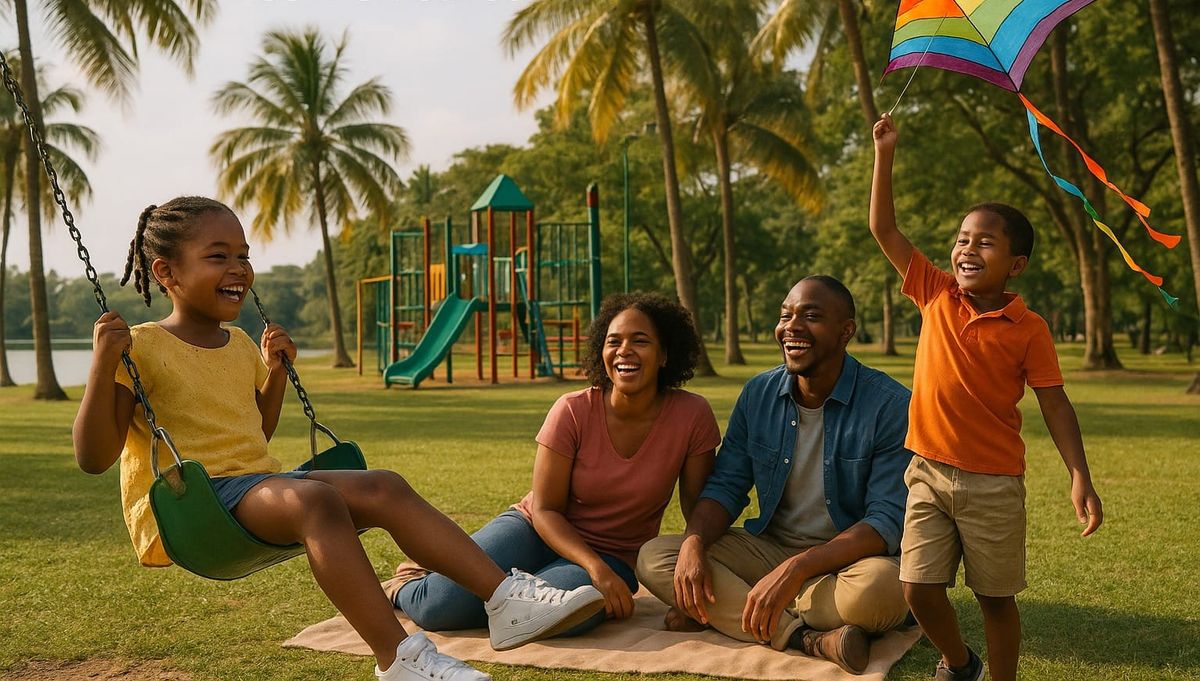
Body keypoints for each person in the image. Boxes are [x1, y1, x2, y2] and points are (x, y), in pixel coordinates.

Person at [71, 196, 604, 681]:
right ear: (166, 271)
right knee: (316, 499)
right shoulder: (138, 347)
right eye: (218, 256)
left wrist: (275, 373)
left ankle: (505, 600)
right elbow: (93, 457)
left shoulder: (236, 343)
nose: (238, 269)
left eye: (243, 254)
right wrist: (101, 366)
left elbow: (252, 431)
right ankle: (399, 660)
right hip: (197, 505)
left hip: (257, 484)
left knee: (384, 486)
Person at [869, 114, 1104, 681]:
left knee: (996, 600)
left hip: (994, 483)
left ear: (1014, 264)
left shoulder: (1030, 328)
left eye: (985, 242)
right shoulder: (935, 293)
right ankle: (958, 662)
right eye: (962, 239)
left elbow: (1054, 403)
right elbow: (884, 230)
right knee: (916, 587)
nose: (967, 249)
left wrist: (1079, 474)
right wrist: (885, 154)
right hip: (926, 470)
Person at [391, 292, 720, 637]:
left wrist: (687, 566)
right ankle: (409, 582)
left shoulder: (691, 416)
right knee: (439, 606)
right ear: (601, 351)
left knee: (550, 613)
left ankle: (501, 585)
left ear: (665, 354)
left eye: (640, 341)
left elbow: (699, 508)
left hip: (614, 555)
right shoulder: (572, 410)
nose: (624, 351)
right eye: (614, 341)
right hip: (535, 529)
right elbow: (546, 510)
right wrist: (593, 568)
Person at [637, 276, 913, 675]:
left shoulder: (890, 405)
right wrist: (695, 543)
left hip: (852, 563)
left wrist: (797, 569)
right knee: (658, 558)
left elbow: (884, 521)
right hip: (769, 551)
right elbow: (726, 485)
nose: (792, 327)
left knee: (881, 593)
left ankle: (732, 609)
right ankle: (807, 637)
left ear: (845, 331)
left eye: (811, 316)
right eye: (786, 315)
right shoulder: (759, 393)